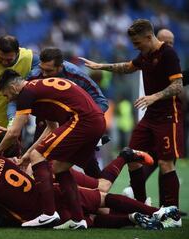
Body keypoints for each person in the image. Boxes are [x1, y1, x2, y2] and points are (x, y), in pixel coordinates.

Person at [0, 141, 180, 230]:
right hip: (52, 185)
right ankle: (155, 212)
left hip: (45, 208)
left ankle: (138, 211)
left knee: (96, 210)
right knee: (101, 201)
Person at [79, 19, 184, 208]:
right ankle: (142, 204)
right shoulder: (144, 54)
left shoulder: (168, 54)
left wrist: (155, 97)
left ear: (148, 36)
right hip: (150, 116)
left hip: (168, 116)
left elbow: (177, 86)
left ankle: (172, 212)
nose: (136, 47)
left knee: (166, 163)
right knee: (131, 157)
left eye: (137, 43)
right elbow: (128, 67)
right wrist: (100, 66)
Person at [0, 69, 107, 228]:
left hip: (82, 121)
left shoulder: (25, 93)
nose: (8, 99)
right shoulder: (39, 93)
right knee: (59, 167)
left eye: (6, 95)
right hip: (96, 121)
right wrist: (28, 155)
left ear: (13, 88)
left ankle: (48, 214)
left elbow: (14, 132)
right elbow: (52, 128)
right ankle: (78, 220)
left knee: (39, 155)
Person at [27, 47, 109, 177]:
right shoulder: (35, 76)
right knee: (38, 159)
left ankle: (101, 192)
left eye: (49, 70)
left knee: (88, 163)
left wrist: (90, 119)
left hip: (76, 123)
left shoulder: (76, 75)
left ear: (60, 67)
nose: (45, 74)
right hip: (47, 122)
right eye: (42, 69)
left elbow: (101, 100)